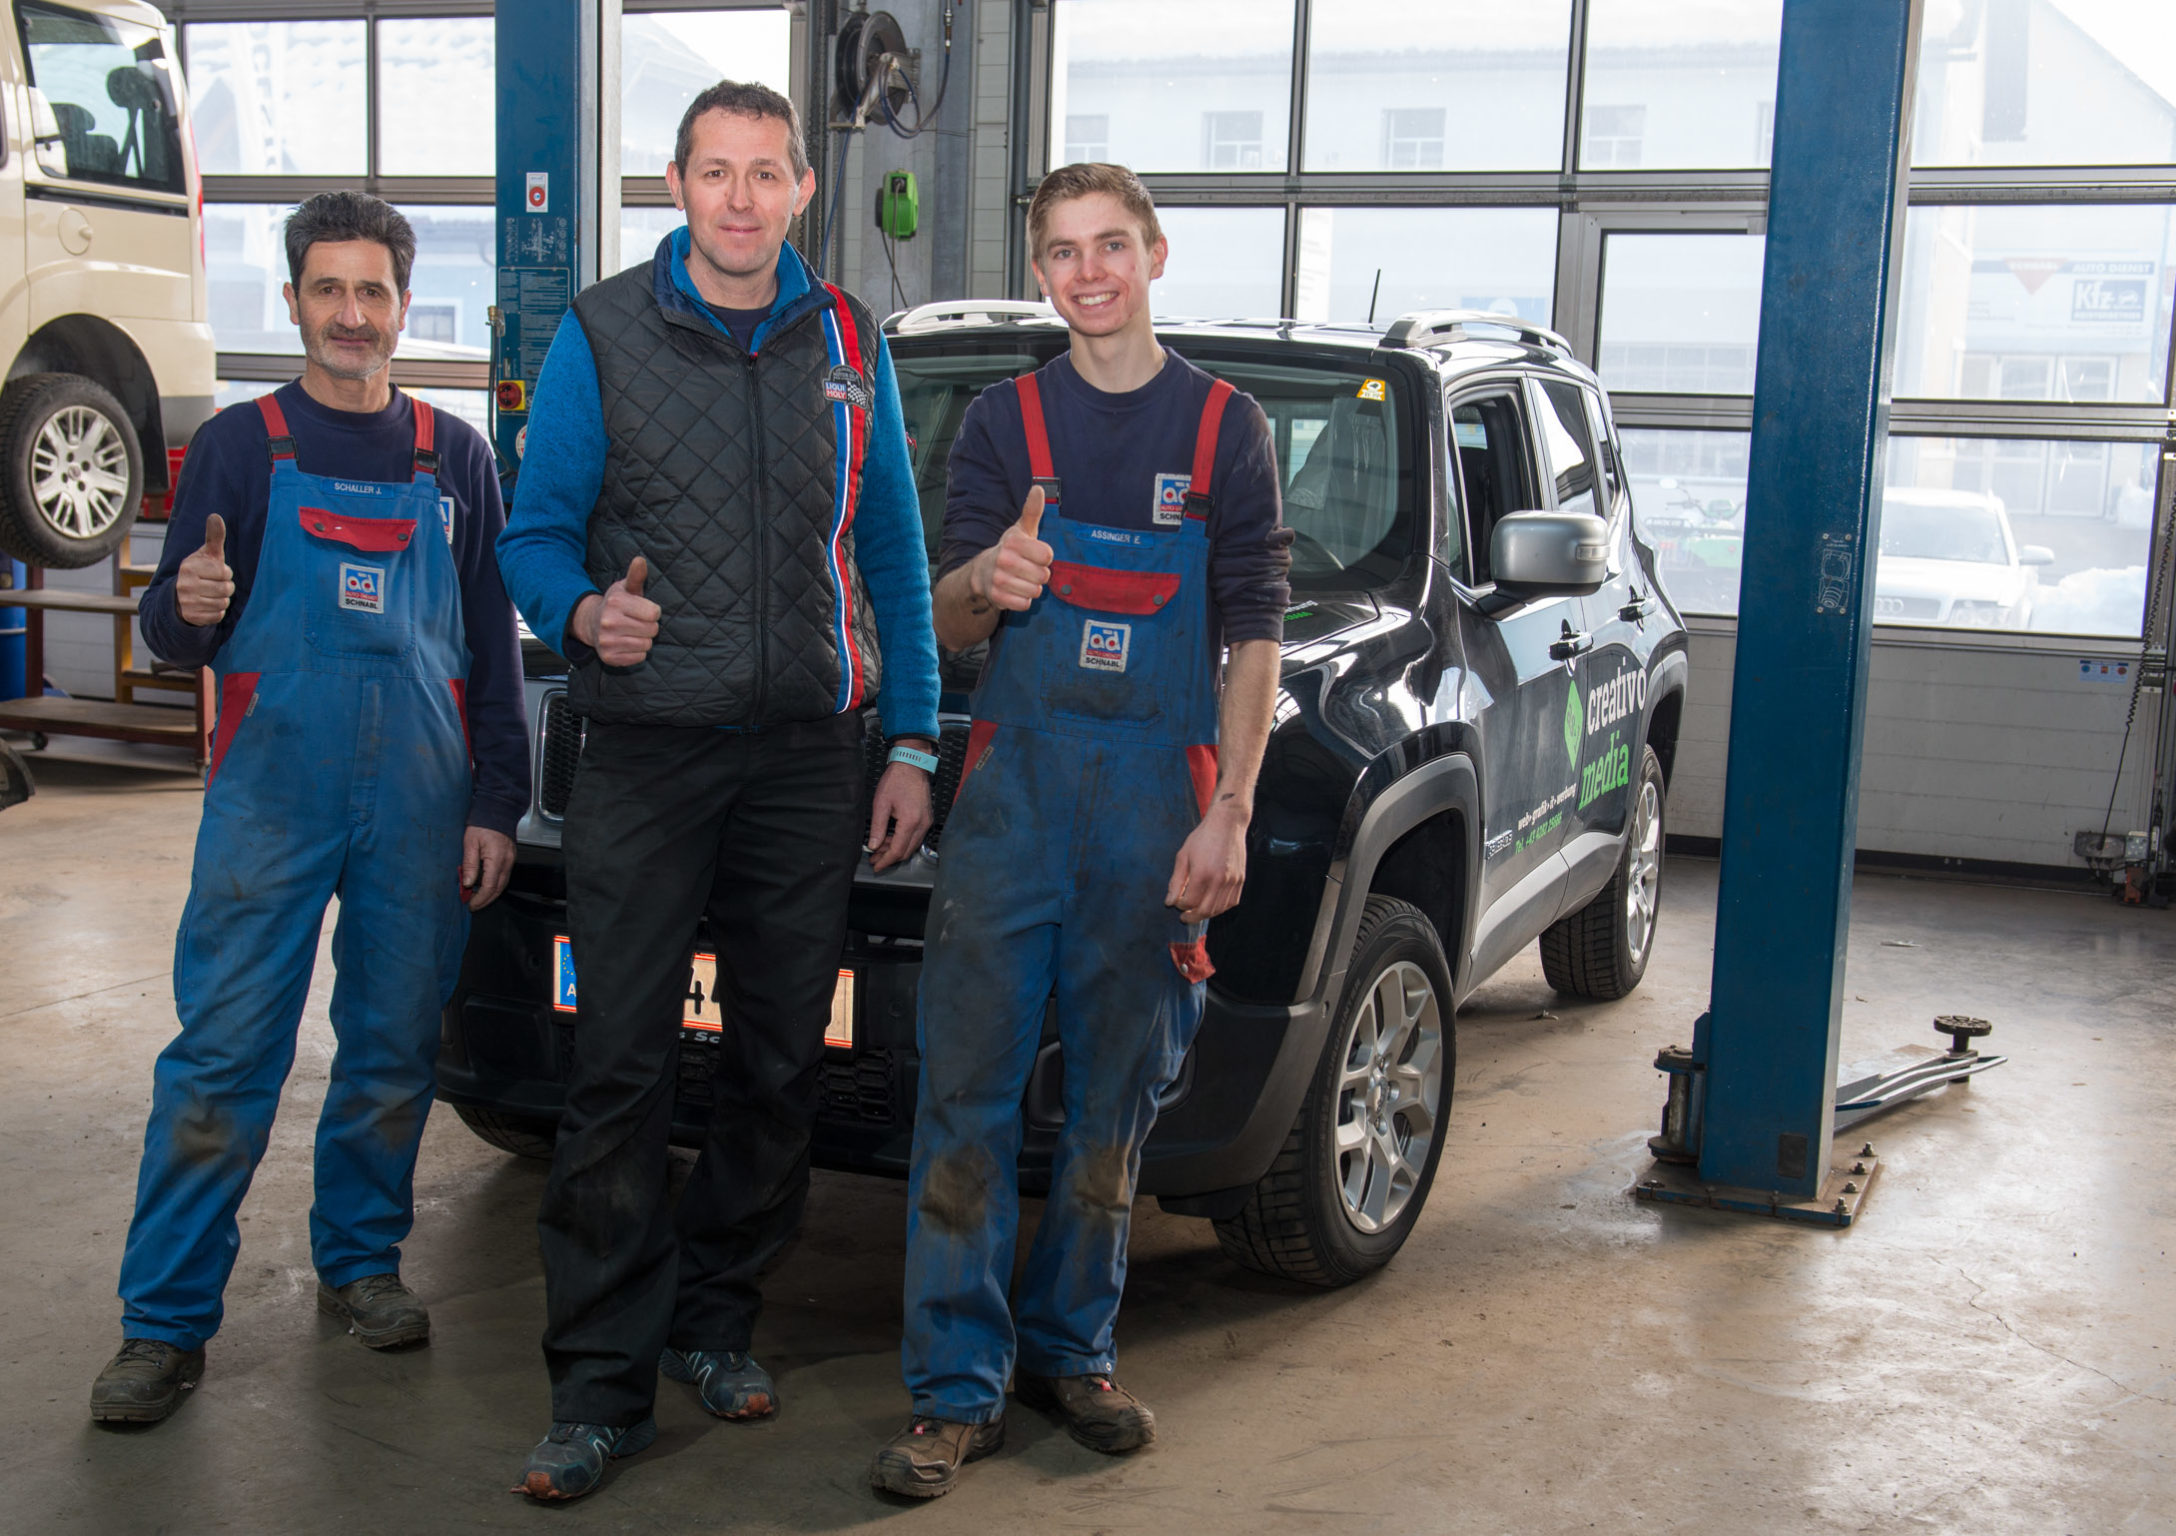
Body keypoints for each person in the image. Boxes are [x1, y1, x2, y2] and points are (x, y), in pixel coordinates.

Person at [495, 81, 940, 1501]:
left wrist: (912, 744)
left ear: (803, 187)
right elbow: (532, 535)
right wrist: (583, 615)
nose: (741, 198)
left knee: (777, 1060)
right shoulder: (602, 332)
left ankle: (716, 1317)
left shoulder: (852, 342)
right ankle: (598, 1386)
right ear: (677, 186)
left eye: (766, 172)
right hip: (646, 752)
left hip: (809, 760)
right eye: (714, 172)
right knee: (620, 1068)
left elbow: (894, 558)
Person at [871, 162, 1289, 1498]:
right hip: (1015, 811)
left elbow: (1255, 634)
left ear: (1154, 255)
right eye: (1063, 251)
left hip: (1157, 815)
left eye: (1111, 245)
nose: (1088, 272)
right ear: (1042, 270)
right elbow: (942, 617)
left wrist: (1231, 809)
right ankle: (953, 1387)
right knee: (965, 1100)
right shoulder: (1005, 421)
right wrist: (986, 580)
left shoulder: (1225, 430)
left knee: (1115, 1102)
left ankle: (1076, 1351)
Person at [94, 192, 527, 1425]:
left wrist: (497, 801)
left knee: (392, 1048)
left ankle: (361, 1263)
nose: (351, 313)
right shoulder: (240, 447)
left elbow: (491, 652)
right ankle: (162, 1324)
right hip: (271, 802)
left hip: (423, 803)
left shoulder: (456, 457)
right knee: (225, 1056)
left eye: (371, 290)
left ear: (403, 305)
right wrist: (185, 603)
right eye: (327, 289)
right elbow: (174, 630)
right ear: (291, 301)